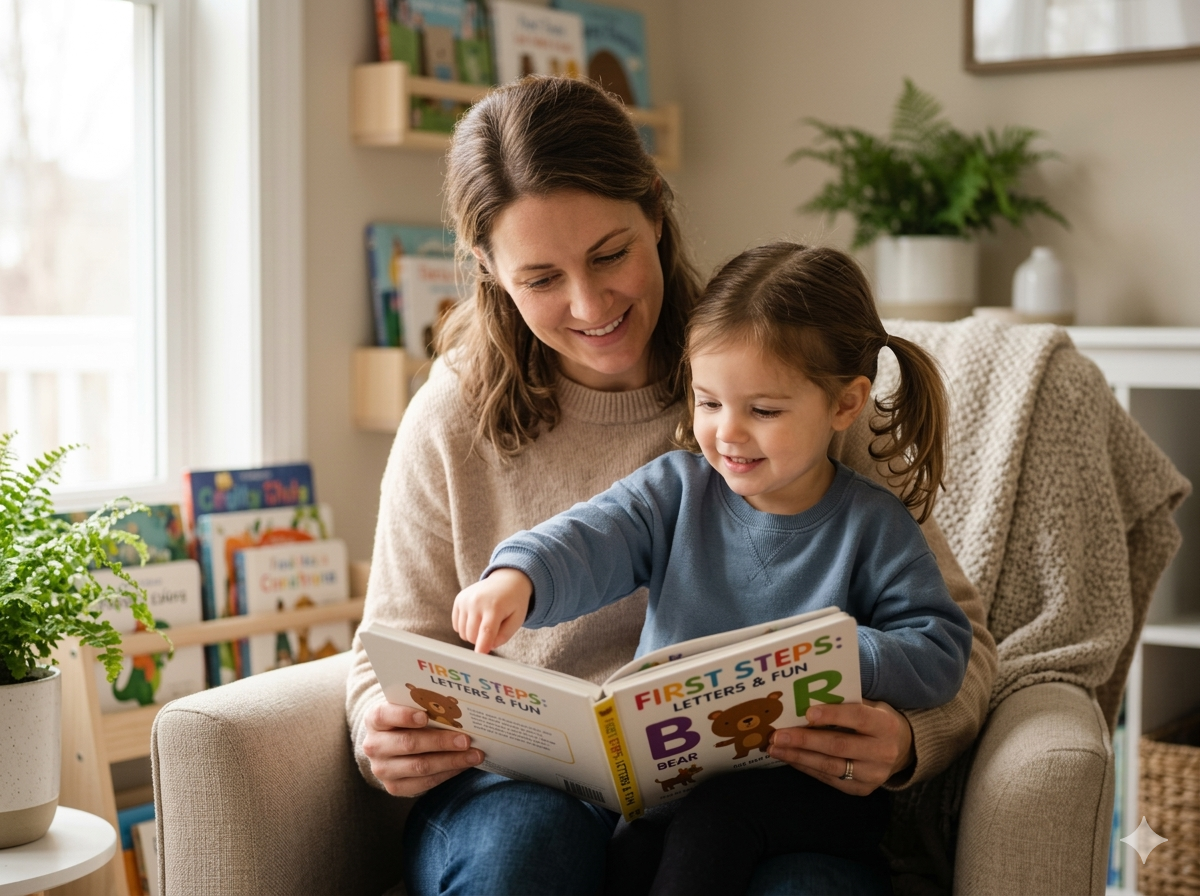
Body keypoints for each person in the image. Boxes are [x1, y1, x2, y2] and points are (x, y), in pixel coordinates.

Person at [345, 75, 996, 896]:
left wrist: (903, 736)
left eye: (610, 253)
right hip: (524, 786)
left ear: (655, 208)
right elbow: (392, 649)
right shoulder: (451, 417)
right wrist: (382, 729)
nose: (589, 304)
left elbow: (955, 642)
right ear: (488, 268)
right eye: (542, 278)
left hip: (760, 787)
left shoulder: (786, 379)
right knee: (527, 853)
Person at [451, 242, 973, 895]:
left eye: (763, 410)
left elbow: (943, 649)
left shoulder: (873, 526)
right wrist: (518, 578)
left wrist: (841, 658)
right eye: (708, 402)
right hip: (670, 789)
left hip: (813, 796)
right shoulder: (678, 491)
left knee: (714, 822)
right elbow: (593, 535)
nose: (728, 433)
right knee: (626, 852)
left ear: (845, 404)